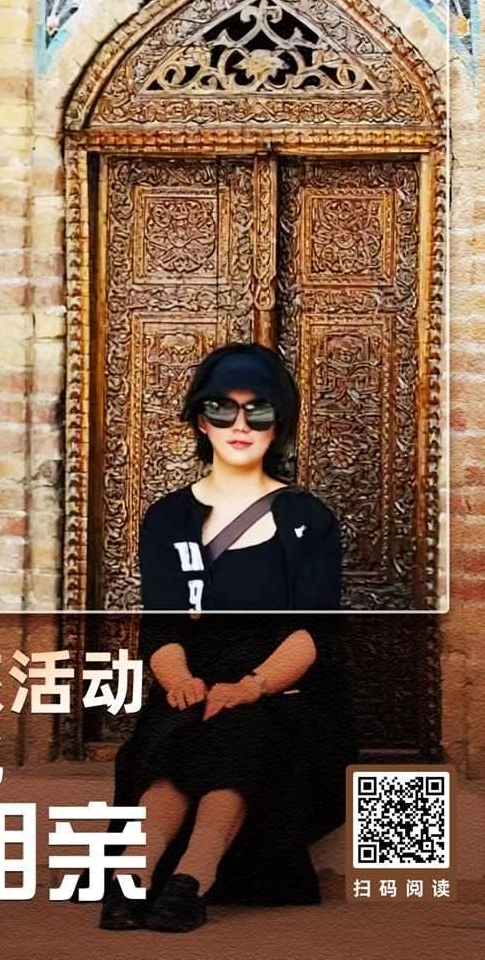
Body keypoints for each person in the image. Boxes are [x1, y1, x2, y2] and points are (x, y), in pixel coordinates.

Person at [99, 341, 358, 932]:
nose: (240, 425)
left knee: (239, 726)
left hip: (283, 682)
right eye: (222, 409)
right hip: (193, 672)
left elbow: (312, 631)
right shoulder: (169, 518)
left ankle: (193, 878)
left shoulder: (308, 519)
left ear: (278, 424)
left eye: (258, 411)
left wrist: (253, 686)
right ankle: (132, 878)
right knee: (182, 730)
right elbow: (163, 624)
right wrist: (179, 680)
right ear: (201, 420)